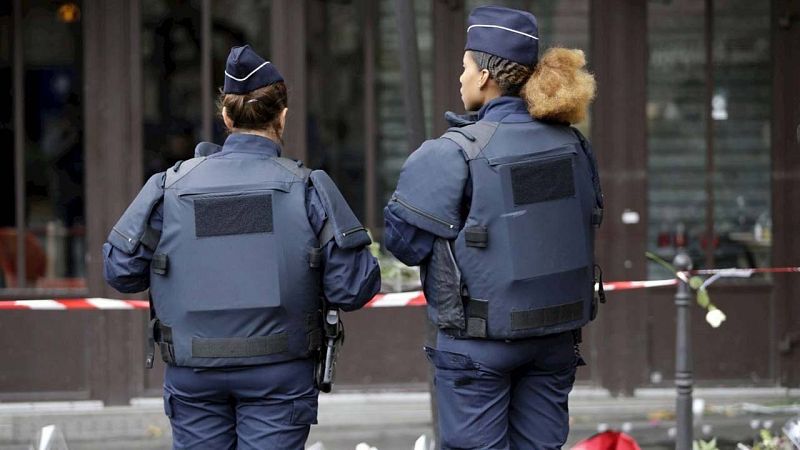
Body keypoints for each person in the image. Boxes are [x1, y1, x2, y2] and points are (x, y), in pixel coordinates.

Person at [104, 44, 380, 450]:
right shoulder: (308, 189)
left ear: (226, 116)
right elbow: (353, 288)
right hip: (279, 374)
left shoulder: (170, 186)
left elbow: (120, 271)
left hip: (194, 374)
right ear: (282, 117)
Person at [384, 6, 602, 450]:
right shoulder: (574, 144)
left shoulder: (453, 153)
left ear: (484, 75)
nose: (459, 77)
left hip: (478, 348)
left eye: (463, 67)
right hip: (555, 341)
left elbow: (402, 243)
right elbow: (590, 215)